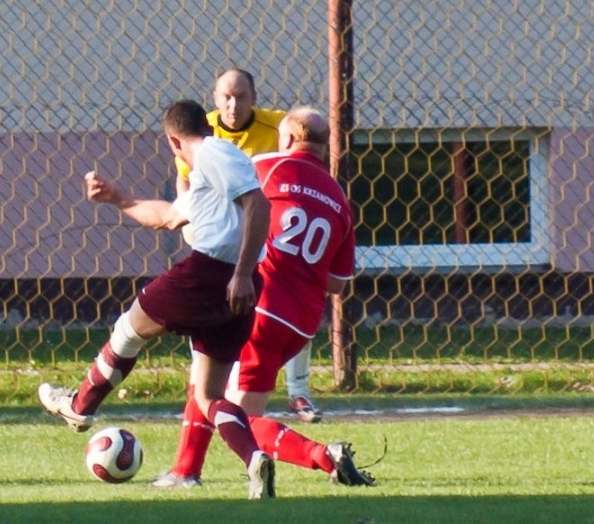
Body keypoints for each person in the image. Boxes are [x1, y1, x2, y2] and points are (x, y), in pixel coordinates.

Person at [38, 99, 276, 500]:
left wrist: (239, 273)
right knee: (208, 397)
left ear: (173, 140)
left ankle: (79, 406)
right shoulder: (209, 171)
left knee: (127, 330)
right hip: (239, 282)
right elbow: (168, 216)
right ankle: (254, 460)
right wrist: (118, 198)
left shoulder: (214, 153)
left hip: (211, 273)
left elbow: (259, 204)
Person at [154, 107, 376, 489]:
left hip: (258, 306)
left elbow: (223, 202)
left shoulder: (268, 165)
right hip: (300, 324)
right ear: (325, 148)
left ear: (286, 139)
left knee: (224, 405)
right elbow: (337, 284)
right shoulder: (339, 199)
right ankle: (186, 471)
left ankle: (324, 456)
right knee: (222, 394)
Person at [176, 68, 323, 426]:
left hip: (267, 234)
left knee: (288, 296)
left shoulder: (279, 127)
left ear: (254, 98)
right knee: (213, 305)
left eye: (241, 96)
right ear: (214, 98)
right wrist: (193, 227)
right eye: (226, 96)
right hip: (220, 235)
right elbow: (184, 182)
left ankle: (298, 389)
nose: (233, 104)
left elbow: (303, 160)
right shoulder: (201, 131)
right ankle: (211, 384)